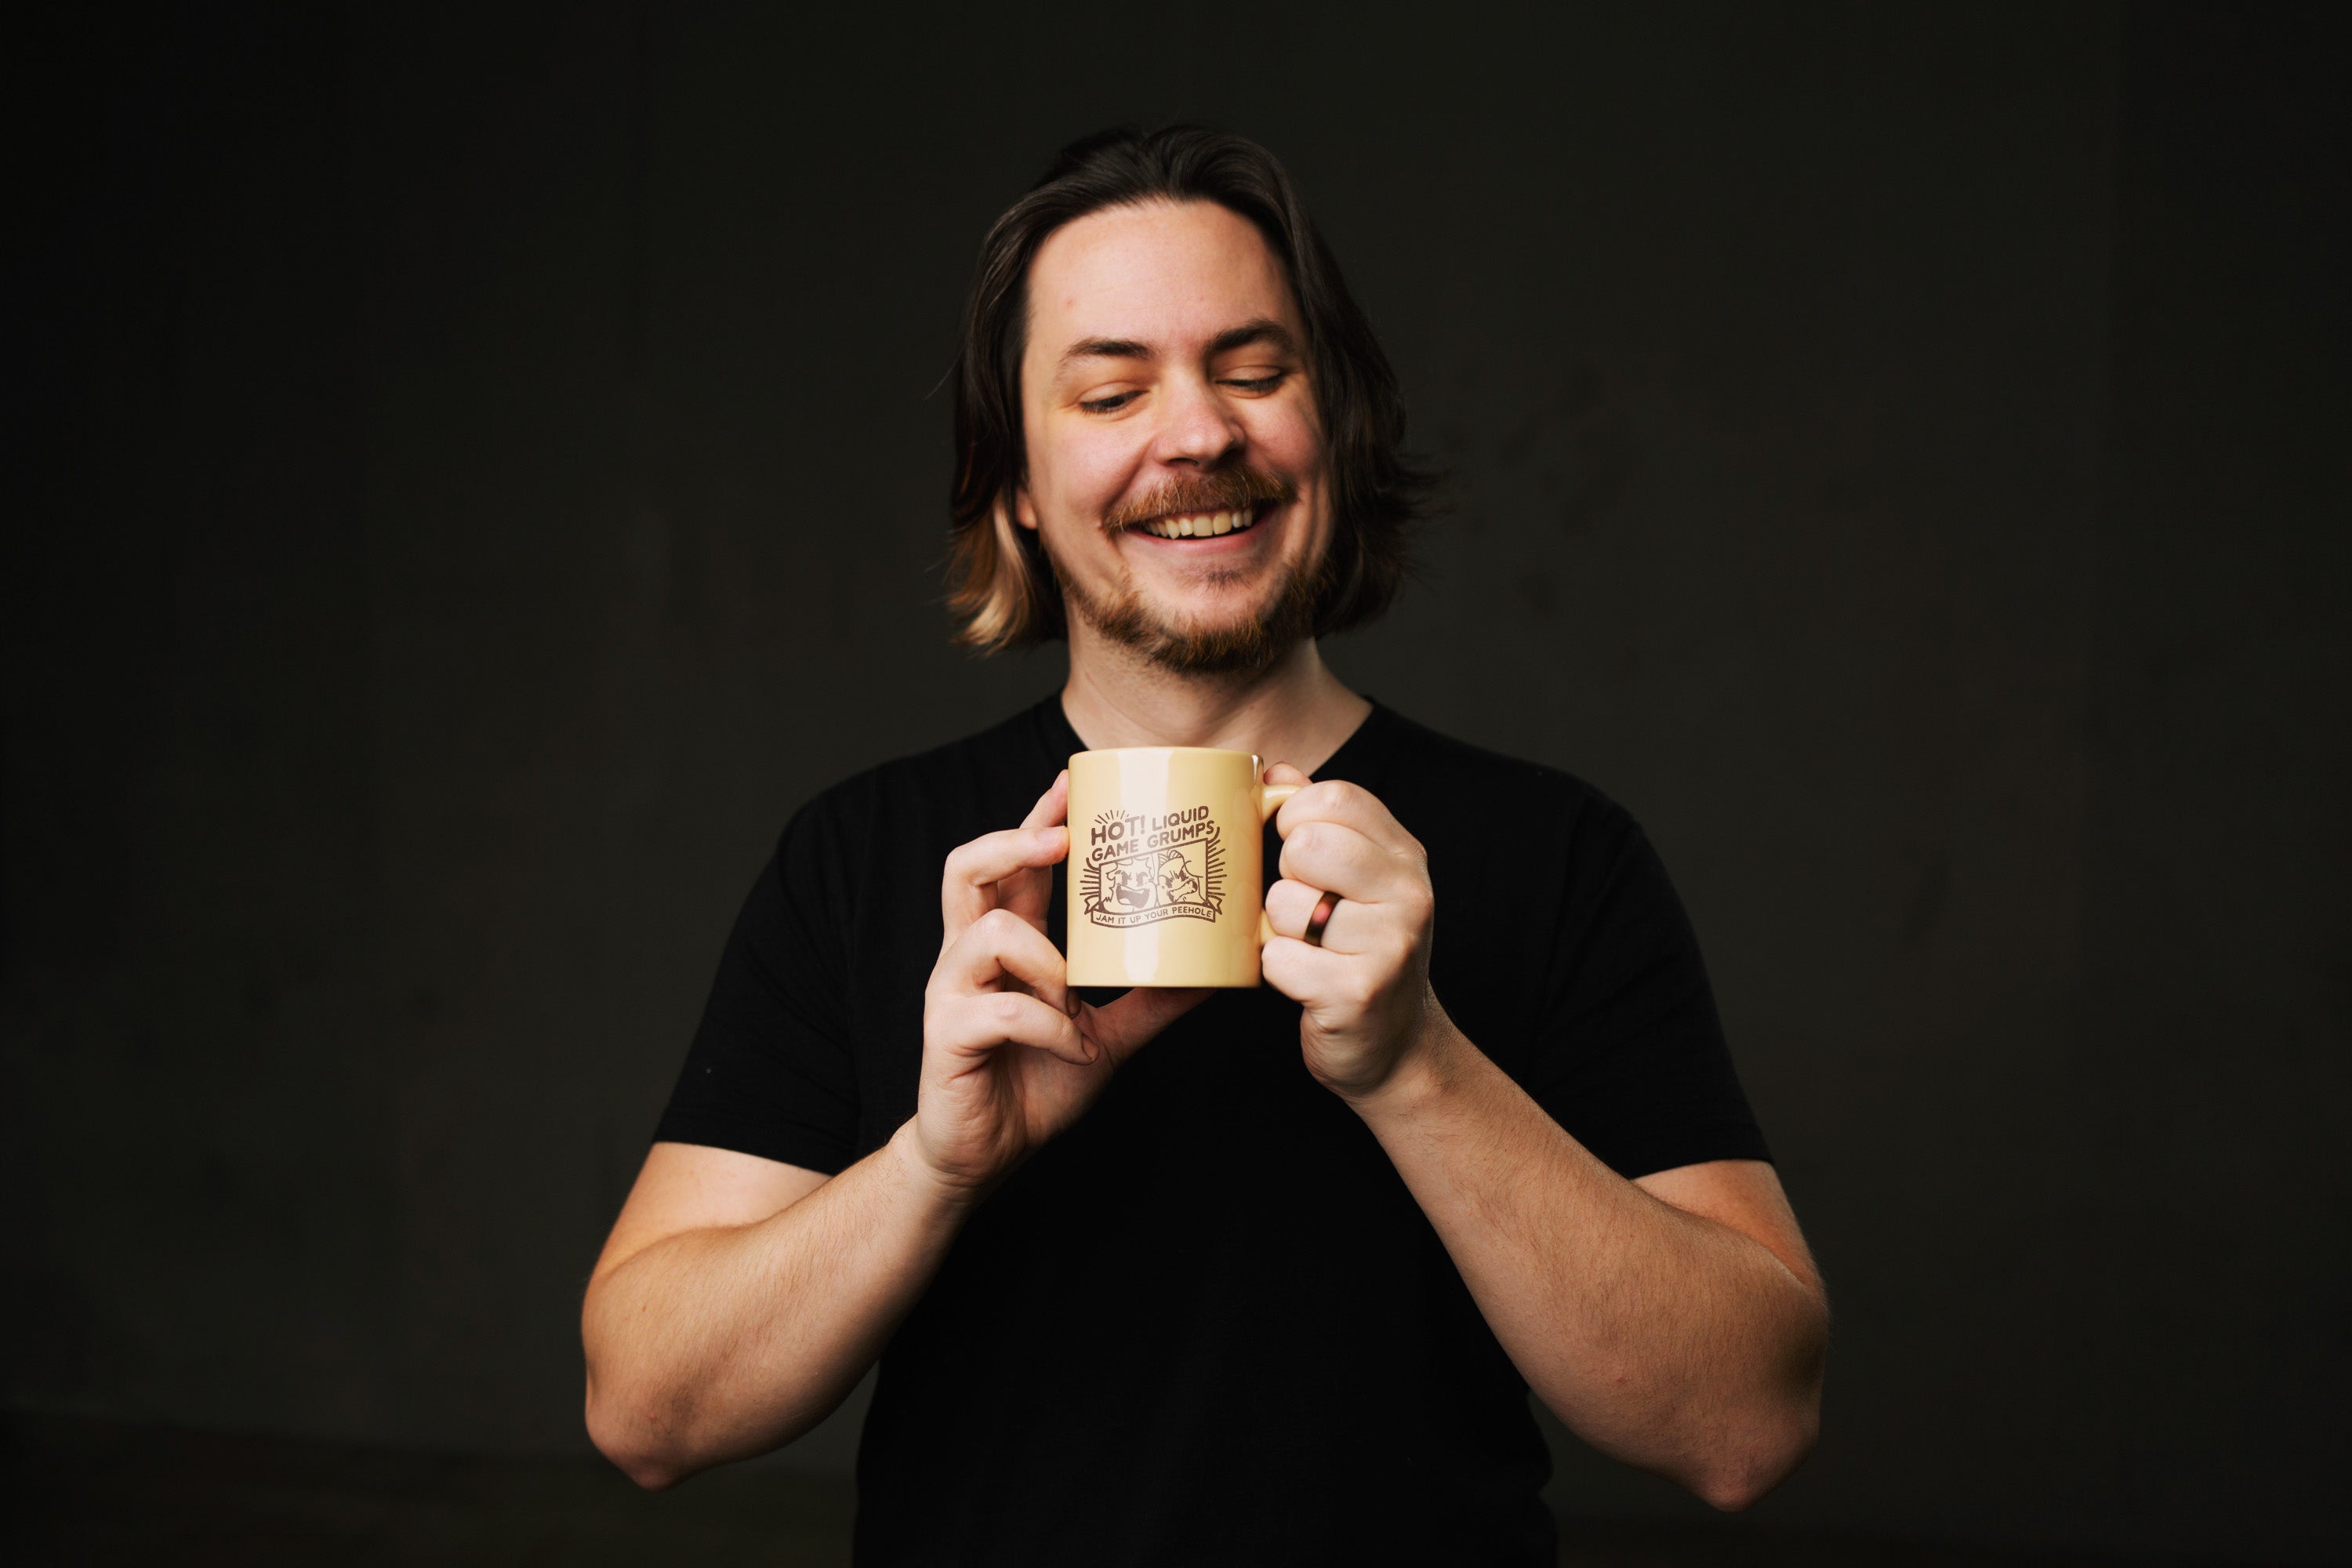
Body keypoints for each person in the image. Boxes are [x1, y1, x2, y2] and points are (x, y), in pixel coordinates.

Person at [582, 125, 1828, 1564]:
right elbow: (645, 1411)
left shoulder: (1556, 854)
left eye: (1253, 371)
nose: (1197, 436)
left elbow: (1747, 1428)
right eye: (1113, 391)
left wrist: (1418, 1068)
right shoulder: (866, 859)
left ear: (1333, 427)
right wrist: (932, 1165)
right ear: (1013, 483)